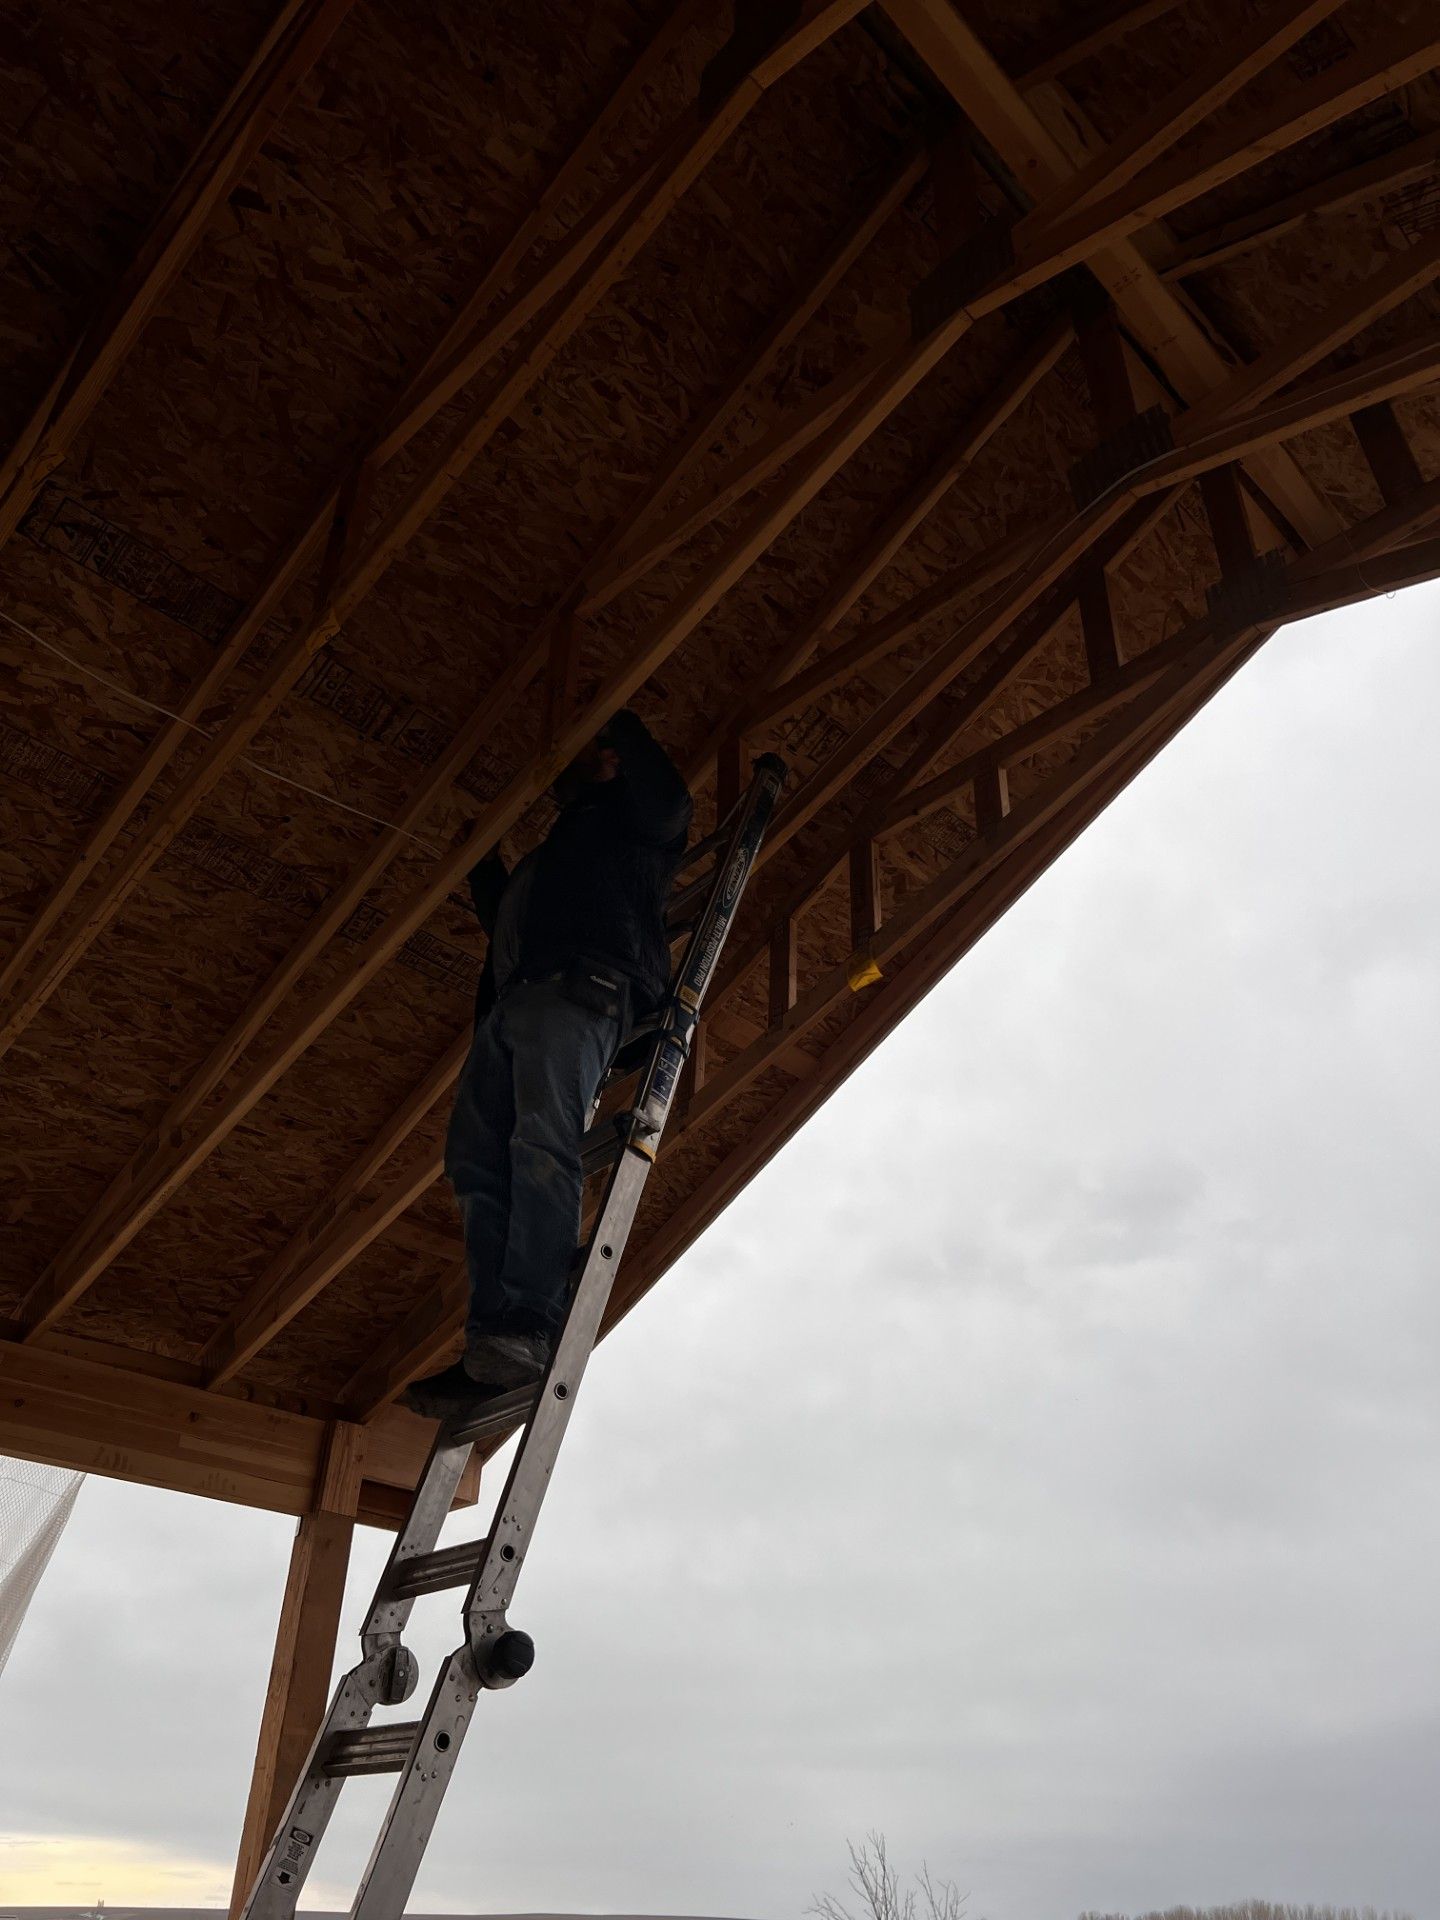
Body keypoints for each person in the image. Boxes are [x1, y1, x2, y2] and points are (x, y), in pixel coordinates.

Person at [402, 708, 692, 1420]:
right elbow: (510, 918)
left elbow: (672, 801)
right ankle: (494, 1336)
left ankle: (530, 1321)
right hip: (516, 1002)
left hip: (581, 988)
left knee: (541, 1141)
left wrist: (619, 718)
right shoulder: (562, 848)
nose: (566, 775)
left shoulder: (633, 823)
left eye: (582, 758)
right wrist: (479, 863)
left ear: (612, 764)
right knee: (474, 1161)